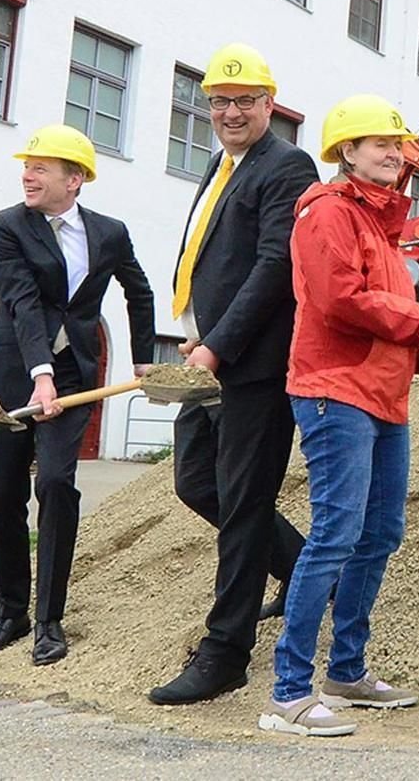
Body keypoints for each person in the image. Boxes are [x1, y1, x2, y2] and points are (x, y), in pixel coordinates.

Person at [261, 95, 419, 737]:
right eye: (378, 144)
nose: (393, 154)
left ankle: (347, 670)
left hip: (384, 395)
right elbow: (342, 300)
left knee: (381, 533)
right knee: (336, 534)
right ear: (347, 151)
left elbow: (383, 310)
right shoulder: (326, 213)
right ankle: (287, 692)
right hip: (332, 391)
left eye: (397, 145)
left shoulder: (382, 227)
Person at [150, 43, 319, 706]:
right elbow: (206, 258)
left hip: (250, 368)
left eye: (244, 101)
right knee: (197, 483)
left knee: (244, 505)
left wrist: (216, 348)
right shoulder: (220, 165)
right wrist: (193, 338)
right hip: (208, 360)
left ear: (269, 105)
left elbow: (276, 266)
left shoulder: (287, 165)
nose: (230, 112)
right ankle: (302, 565)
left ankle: (226, 652)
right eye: (219, 101)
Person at [0, 125, 156, 666]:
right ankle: (10, 612)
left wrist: (144, 356)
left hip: (75, 374)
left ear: (74, 180)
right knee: (6, 491)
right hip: (11, 374)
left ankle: (50, 619)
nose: (27, 175)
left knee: (55, 483)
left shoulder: (110, 232)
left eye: (41, 168)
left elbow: (137, 290)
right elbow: (23, 301)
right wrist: (38, 374)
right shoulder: (4, 226)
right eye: (26, 167)